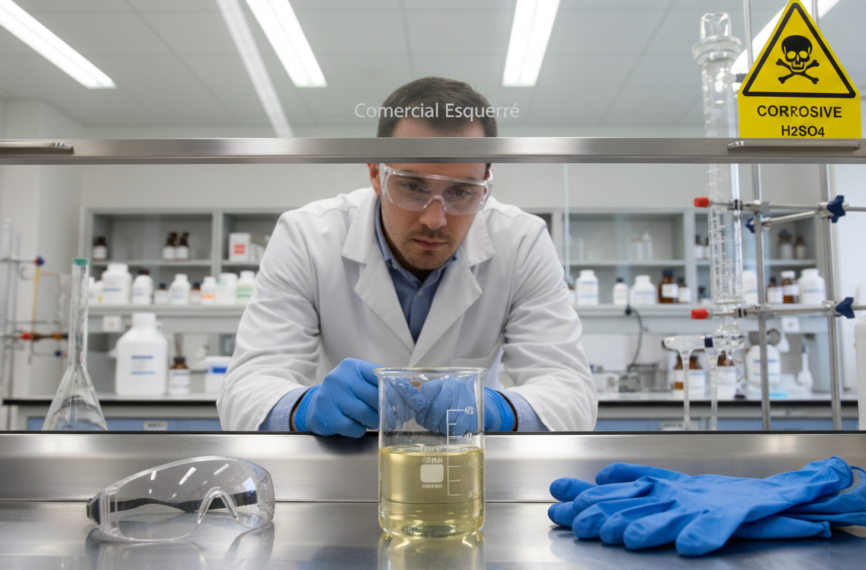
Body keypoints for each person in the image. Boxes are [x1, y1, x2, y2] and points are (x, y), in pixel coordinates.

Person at [218, 77, 596, 435]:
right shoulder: (306, 236)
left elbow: (571, 391)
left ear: (486, 183)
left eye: (462, 191)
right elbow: (246, 387)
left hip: (468, 465)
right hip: (347, 460)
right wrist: (301, 407)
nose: (435, 219)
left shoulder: (522, 241)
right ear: (374, 173)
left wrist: (498, 409)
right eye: (412, 186)